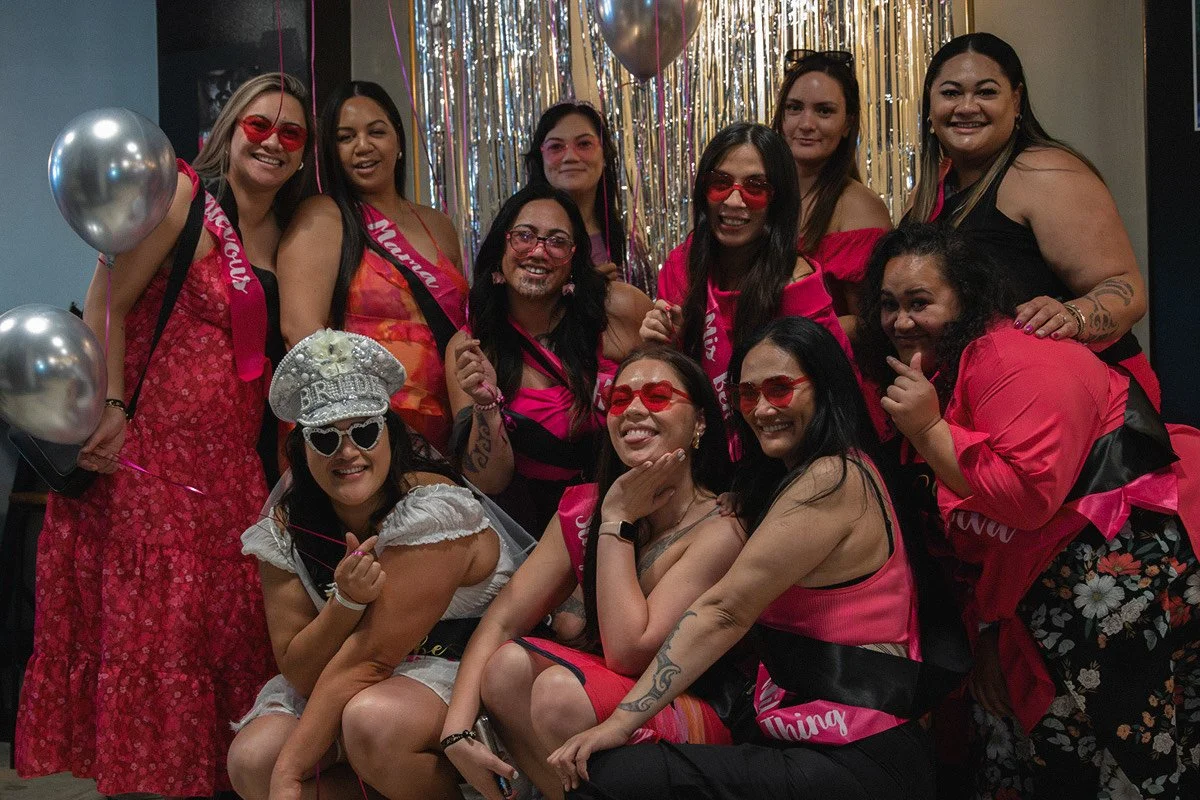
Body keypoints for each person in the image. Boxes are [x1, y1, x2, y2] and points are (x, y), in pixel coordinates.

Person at [15, 73, 314, 797]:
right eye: (258, 126)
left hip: (229, 476)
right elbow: (106, 299)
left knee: (221, 653)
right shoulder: (184, 200)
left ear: (303, 157)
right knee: (154, 649)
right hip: (150, 471)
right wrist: (110, 406)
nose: (273, 141)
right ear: (228, 130)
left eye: (290, 133)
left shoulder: (290, 232)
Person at [858, 223, 1200, 798]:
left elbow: (1026, 499)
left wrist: (928, 430)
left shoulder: (1015, 355)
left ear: (965, 297)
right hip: (1043, 591)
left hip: (1110, 586)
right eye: (889, 305)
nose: (900, 321)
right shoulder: (951, 365)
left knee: (1130, 771)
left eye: (920, 302)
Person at [546, 317, 935, 799]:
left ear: (825, 388)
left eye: (780, 388)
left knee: (609, 776)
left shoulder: (834, 477)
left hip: (857, 755)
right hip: (806, 738)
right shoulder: (784, 484)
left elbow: (723, 611)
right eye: (748, 395)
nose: (763, 409)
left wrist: (621, 721)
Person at [226, 329, 526, 800]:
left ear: (390, 433)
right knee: (253, 760)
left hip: (458, 674)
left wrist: (290, 775)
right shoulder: (285, 530)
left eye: (365, 431)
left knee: (371, 721)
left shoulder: (432, 510)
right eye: (326, 438)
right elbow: (303, 673)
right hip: (347, 681)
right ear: (302, 449)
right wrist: (344, 603)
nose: (348, 452)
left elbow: (371, 659)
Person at [439, 346, 743, 800]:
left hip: (694, 713)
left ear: (700, 421)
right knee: (505, 668)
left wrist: (617, 520)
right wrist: (456, 731)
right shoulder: (585, 505)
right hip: (597, 707)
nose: (635, 409)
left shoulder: (722, 527)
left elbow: (629, 653)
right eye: (620, 401)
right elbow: (503, 620)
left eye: (658, 396)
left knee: (558, 692)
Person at [906, 32, 1161, 408]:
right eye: (951, 93)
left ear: (1017, 100)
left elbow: (1129, 290)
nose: (966, 106)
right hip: (985, 402)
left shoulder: (1046, 172)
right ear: (929, 106)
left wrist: (1073, 316)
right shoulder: (928, 193)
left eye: (986, 92)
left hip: (1073, 408)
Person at [642, 123, 881, 441]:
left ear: (777, 200)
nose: (734, 201)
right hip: (701, 446)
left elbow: (835, 395)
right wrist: (658, 345)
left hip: (785, 447)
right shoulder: (682, 265)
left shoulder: (797, 282)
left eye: (755, 188)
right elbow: (676, 382)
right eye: (721, 183)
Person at [446, 184, 652, 535]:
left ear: (573, 260)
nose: (539, 252)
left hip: (632, 508)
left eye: (556, 242)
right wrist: (486, 406)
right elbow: (490, 481)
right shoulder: (470, 348)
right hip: (534, 529)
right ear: (500, 249)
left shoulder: (619, 309)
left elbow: (676, 403)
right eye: (524, 236)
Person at [278, 80, 466, 454]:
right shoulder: (324, 216)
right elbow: (300, 332)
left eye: (376, 132)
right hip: (361, 434)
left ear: (398, 141)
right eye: (346, 137)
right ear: (332, 152)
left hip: (445, 429)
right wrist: (357, 425)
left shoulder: (439, 225)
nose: (363, 146)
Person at [771, 48, 893, 322]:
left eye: (824, 111)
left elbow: (872, 326)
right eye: (794, 108)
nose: (806, 123)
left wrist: (788, 338)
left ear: (848, 124)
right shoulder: (758, 193)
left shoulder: (859, 207)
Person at [526, 100, 650, 290]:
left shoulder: (629, 243)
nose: (570, 157)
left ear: (605, 155)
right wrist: (581, 289)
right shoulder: (520, 238)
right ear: (540, 158)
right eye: (556, 147)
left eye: (584, 144)